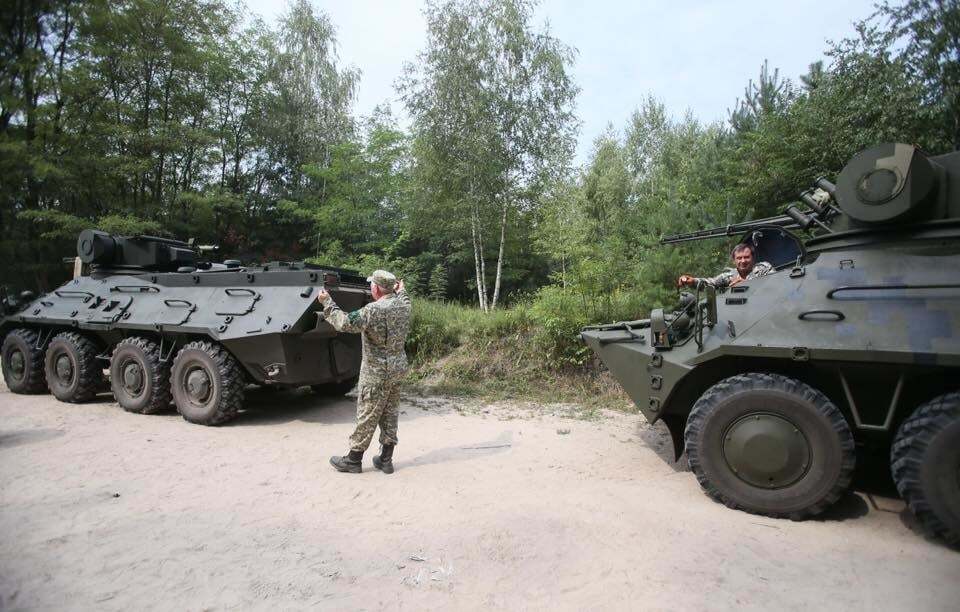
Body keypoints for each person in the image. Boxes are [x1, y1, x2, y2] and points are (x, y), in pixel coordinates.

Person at [316, 270, 412, 474]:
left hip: (376, 373)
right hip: (396, 370)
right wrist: (402, 290)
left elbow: (344, 322)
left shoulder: (373, 310)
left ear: (376, 288)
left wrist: (327, 302)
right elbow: (404, 296)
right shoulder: (404, 306)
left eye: (372, 286)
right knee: (390, 413)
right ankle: (386, 459)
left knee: (367, 415)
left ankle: (353, 460)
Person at [677, 242, 773, 289]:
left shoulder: (764, 268)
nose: (743, 261)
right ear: (734, 261)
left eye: (746, 257)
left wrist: (747, 284)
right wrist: (693, 281)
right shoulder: (729, 276)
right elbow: (710, 283)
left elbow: (776, 287)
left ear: (753, 258)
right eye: (739, 258)